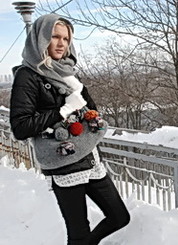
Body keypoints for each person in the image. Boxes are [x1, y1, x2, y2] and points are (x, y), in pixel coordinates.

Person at [9, 14, 130, 245]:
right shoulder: (28, 75)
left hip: (89, 158)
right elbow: (20, 127)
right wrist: (63, 111)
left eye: (65, 38)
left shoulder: (68, 72)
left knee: (119, 216)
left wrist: (81, 94)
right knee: (78, 233)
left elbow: (91, 109)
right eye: (54, 36)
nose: (61, 43)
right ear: (40, 39)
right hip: (62, 162)